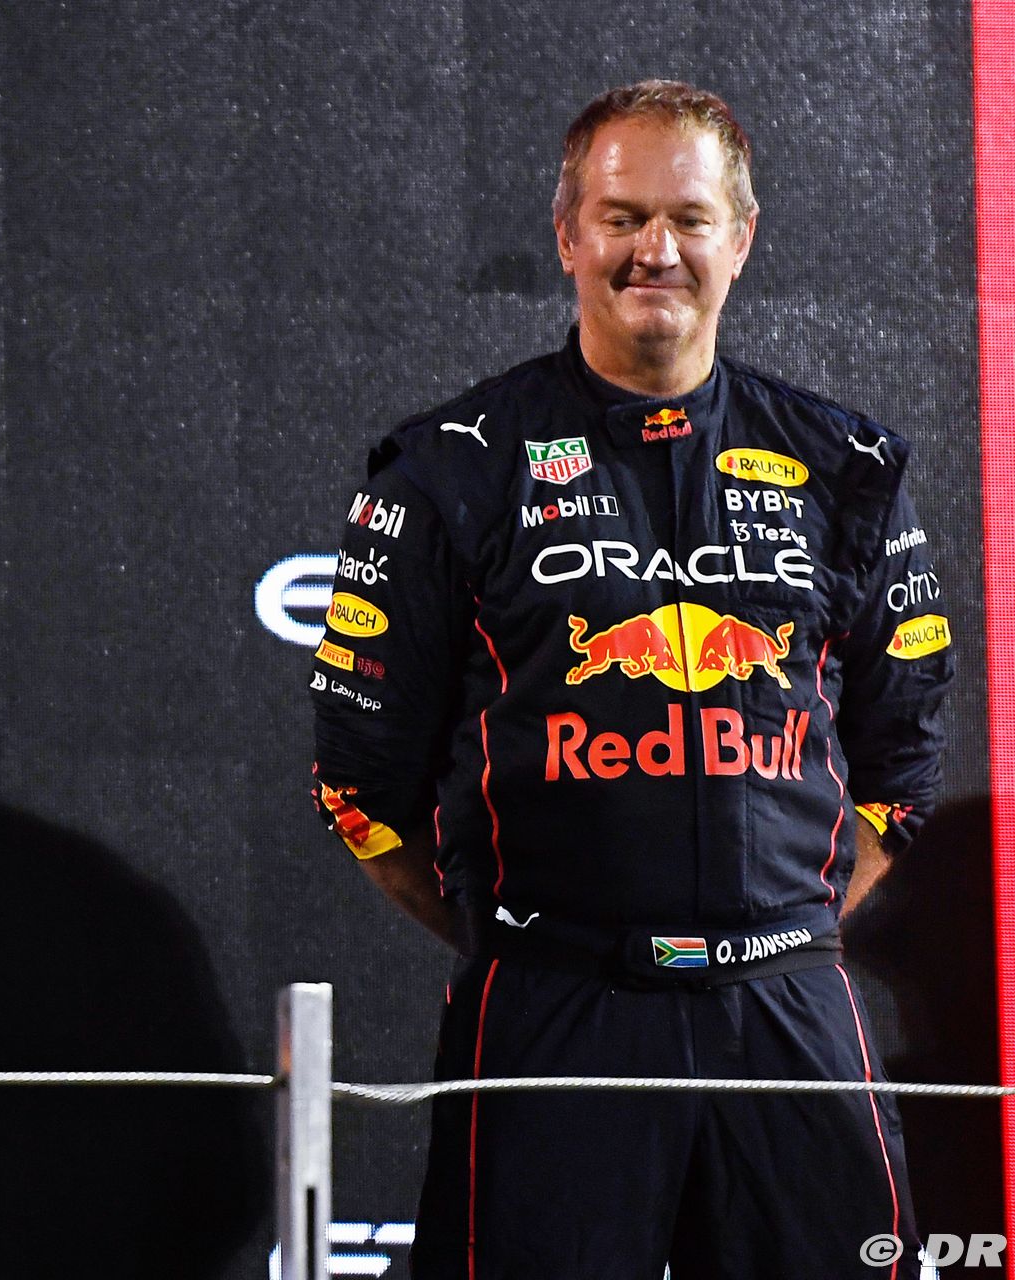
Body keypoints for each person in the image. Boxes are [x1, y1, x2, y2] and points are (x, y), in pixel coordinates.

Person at [310, 80, 952, 1279]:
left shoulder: (846, 466)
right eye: (621, 217)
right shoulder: (450, 467)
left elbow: (901, 764)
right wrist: (535, 938)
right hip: (553, 1008)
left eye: (689, 218)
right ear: (567, 235)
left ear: (740, 239)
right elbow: (362, 786)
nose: (656, 249)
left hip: (788, 1012)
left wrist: (777, 929)